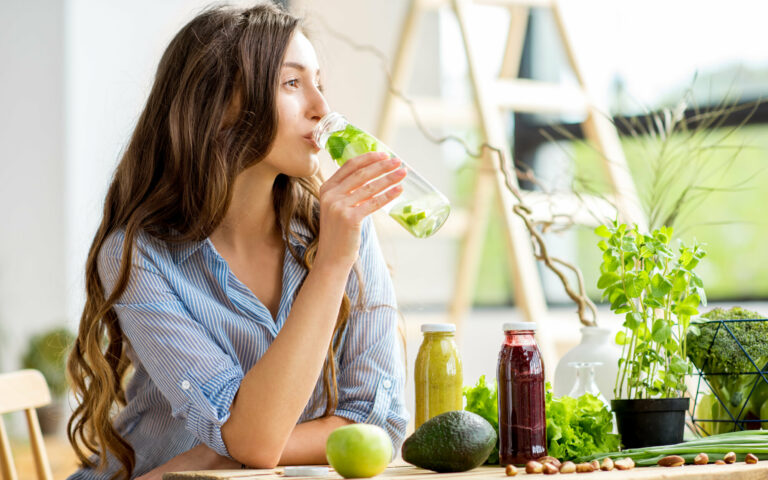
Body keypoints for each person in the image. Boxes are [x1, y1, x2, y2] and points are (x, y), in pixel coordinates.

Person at [66, 4, 409, 479]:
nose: (322, 108)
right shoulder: (139, 256)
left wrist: (222, 452)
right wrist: (331, 267)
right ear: (222, 103)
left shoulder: (340, 228)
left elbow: (379, 426)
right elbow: (264, 440)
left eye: (320, 84)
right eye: (293, 84)